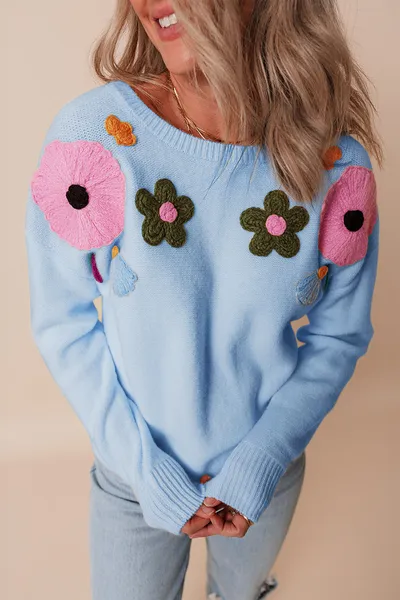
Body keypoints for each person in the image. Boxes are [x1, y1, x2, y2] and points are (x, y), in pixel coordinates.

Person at [24, 1, 382, 599]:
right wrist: (148, 472)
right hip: (133, 473)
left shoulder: (337, 167)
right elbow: (62, 324)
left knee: (237, 594)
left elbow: (339, 336)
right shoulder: (94, 141)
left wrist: (260, 462)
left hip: (267, 473)